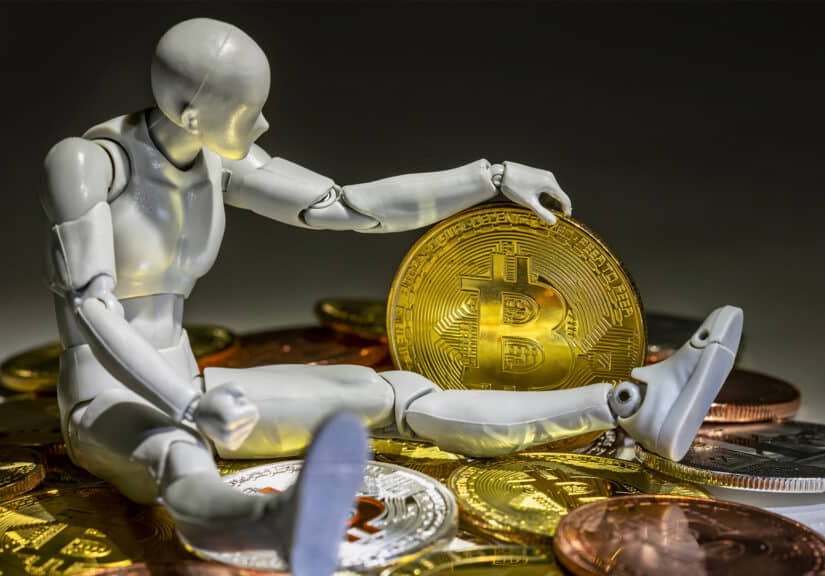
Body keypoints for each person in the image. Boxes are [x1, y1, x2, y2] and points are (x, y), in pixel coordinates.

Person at [41, 17, 742, 575]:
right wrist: (187, 405)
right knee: (176, 454)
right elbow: (92, 304)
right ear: (188, 110)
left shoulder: (219, 160)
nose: (262, 127)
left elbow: (346, 205)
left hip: (193, 384)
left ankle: (634, 401)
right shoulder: (87, 163)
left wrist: (492, 176)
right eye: (247, 111)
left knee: (395, 395)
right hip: (106, 400)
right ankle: (269, 526)